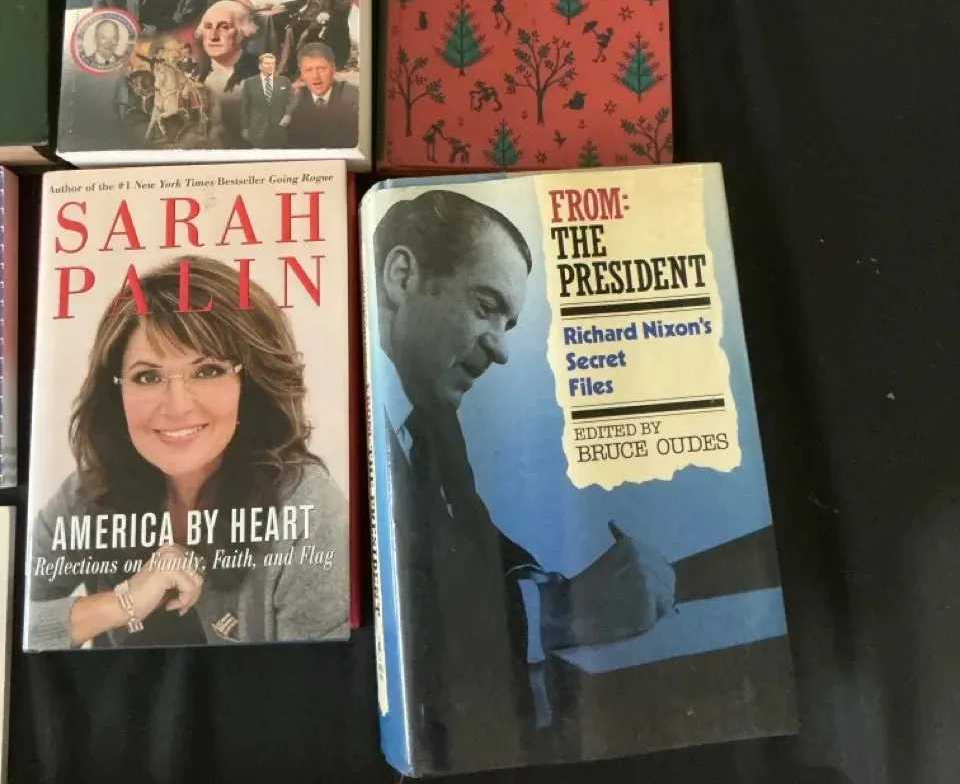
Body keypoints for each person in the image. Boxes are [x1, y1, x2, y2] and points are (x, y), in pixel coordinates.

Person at [372, 189, 677, 771]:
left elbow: (473, 537)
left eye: (507, 323)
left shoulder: (430, 415)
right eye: (485, 306)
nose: (501, 349)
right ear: (402, 277)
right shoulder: (356, 416)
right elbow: (409, 613)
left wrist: (552, 583)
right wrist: (561, 612)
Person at [27, 256, 349, 649]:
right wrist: (122, 603)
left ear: (250, 384)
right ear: (117, 392)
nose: (177, 406)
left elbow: (317, 677)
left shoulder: (308, 512)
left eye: (207, 371)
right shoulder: (90, 491)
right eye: (148, 376)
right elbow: (12, 615)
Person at [195, 0, 260, 147]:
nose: (213, 36)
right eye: (208, 27)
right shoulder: (192, 73)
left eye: (224, 27)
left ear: (243, 32)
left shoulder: (259, 74)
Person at [279, 0, 353, 73]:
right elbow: (300, 1)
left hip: (321, 19)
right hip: (307, 16)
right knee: (290, 30)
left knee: (305, 36)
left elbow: (343, 6)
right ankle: (285, 68)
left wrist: (327, 13)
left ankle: (300, 69)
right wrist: (283, 6)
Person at [286, 42, 359, 150]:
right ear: (301, 74)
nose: (315, 76)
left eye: (321, 69)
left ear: (333, 70)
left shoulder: (352, 97)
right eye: (308, 70)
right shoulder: (293, 100)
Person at [240, 52, 295, 148]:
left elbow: (292, 101)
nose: (271, 66)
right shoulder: (250, 82)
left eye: (273, 63)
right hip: (257, 131)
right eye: (267, 63)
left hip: (279, 129)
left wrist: (288, 114)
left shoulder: (284, 81)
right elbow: (245, 107)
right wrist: (245, 127)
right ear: (260, 66)